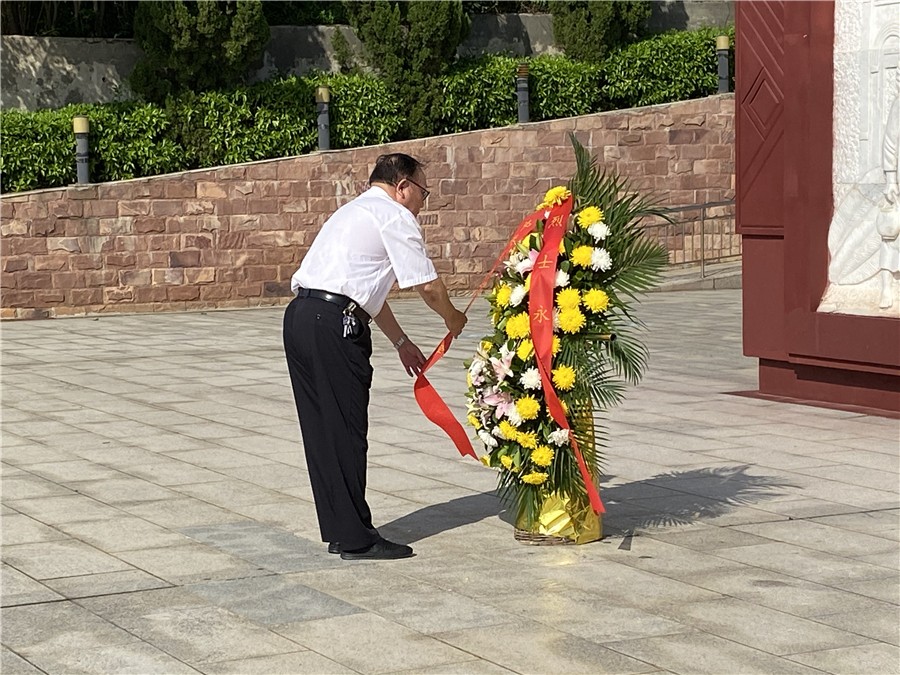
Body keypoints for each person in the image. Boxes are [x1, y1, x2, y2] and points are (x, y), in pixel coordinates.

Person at [283, 153, 467, 560]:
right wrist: (453, 318)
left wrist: (401, 342)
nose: (422, 202)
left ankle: (341, 530)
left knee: (323, 432)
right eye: (423, 192)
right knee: (347, 429)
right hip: (334, 325)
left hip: (301, 317)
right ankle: (357, 539)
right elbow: (428, 286)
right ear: (402, 187)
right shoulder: (394, 215)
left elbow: (366, 292)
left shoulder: (353, 212)